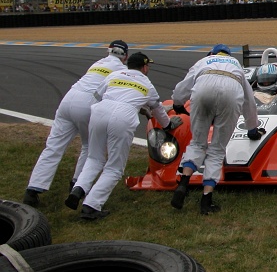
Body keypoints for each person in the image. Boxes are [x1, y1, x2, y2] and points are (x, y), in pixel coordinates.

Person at [65, 52, 182, 220]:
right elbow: (158, 111)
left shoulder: (114, 75)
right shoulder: (147, 84)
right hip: (123, 117)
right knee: (114, 167)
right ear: (144, 67)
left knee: (94, 158)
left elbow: (97, 96)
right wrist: (168, 125)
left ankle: (78, 189)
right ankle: (91, 205)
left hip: (99, 112)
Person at [23, 40, 130, 207]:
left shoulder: (98, 63)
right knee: (89, 148)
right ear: (125, 57)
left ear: (108, 51)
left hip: (68, 99)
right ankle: (76, 185)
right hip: (88, 103)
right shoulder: (123, 70)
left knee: (53, 146)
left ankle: (33, 190)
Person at [170, 44, 262, 215]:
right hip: (231, 92)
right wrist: (252, 127)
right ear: (228, 54)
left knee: (197, 143)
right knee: (217, 149)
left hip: (203, 91)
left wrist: (177, 102)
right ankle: (206, 200)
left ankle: (183, 183)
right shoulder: (236, 66)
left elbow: (184, 85)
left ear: (212, 53)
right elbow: (249, 101)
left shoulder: (204, 61)